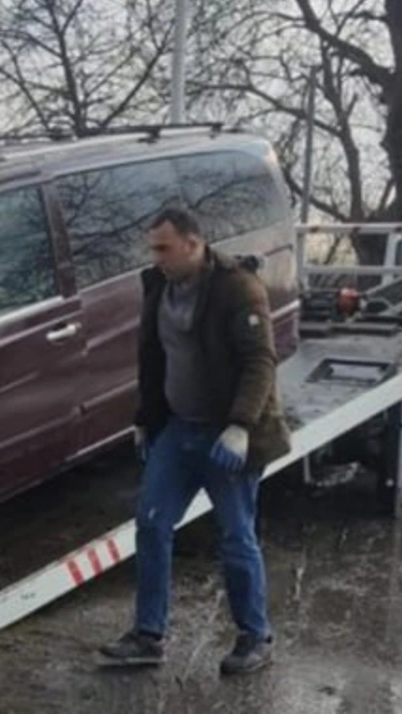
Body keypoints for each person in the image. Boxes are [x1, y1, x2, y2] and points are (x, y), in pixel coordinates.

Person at [99, 201, 291, 676]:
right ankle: (148, 636)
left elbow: (259, 363)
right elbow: (153, 358)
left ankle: (255, 636)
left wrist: (241, 427)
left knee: (235, 536)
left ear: (193, 242)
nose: (156, 257)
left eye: (164, 248)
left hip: (224, 435)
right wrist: (145, 418)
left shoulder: (236, 288)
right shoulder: (158, 288)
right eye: (152, 249)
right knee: (151, 524)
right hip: (178, 430)